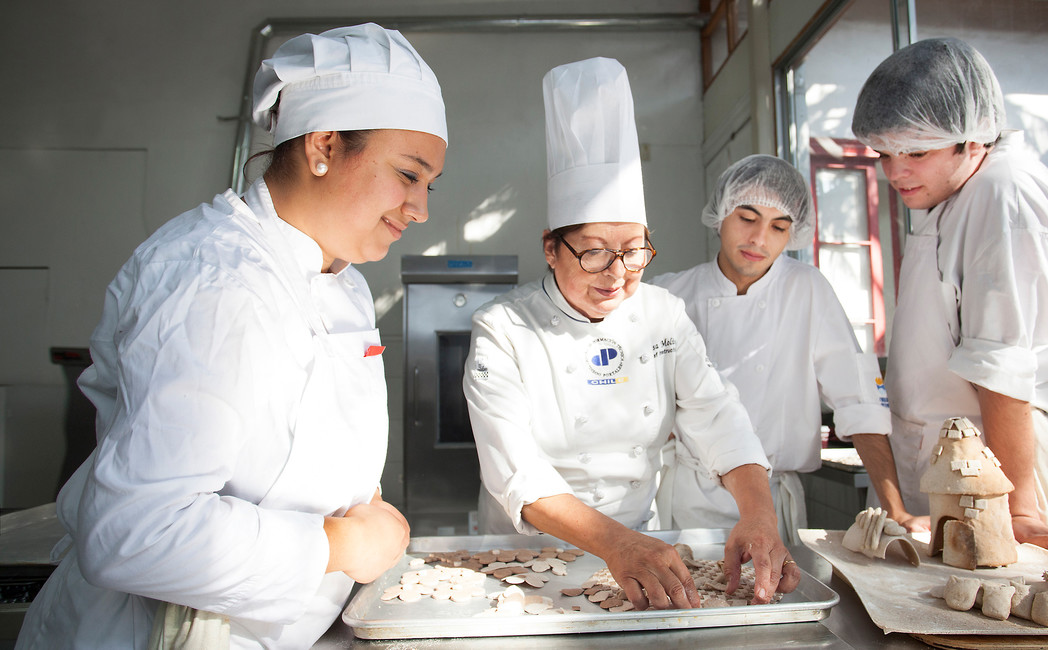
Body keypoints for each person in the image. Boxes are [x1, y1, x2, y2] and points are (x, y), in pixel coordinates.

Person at [16, 24, 447, 649]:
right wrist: (343, 543)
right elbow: (136, 535)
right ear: (324, 145)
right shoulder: (214, 278)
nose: (421, 208)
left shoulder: (341, 280)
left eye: (430, 184)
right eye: (408, 174)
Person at [463, 57, 799, 612]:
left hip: (644, 547)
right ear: (551, 247)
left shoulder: (663, 313)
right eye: (595, 252)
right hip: (526, 558)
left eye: (634, 251)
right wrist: (616, 544)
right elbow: (517, 471)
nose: (617, 275)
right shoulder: (503, 328)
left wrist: (759, 515)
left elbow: (716, 415)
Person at [851, 37, 1048, 563]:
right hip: (946, 465)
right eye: (884, 154)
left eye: (917, 153)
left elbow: (1002, 364)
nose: (895, 172)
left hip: (994, 476)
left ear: (972, 139)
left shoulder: (1003, 194)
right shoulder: (955, 194)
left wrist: (1020, 511)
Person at [652, 154, 924, 546]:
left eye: (779, 227)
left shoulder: (807, 289)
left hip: (770, 501)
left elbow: (860, 400)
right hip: (685, 501)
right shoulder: (670, 294)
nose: (759, 239)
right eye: (747, 218)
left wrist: (895, 508)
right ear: (720, 215)